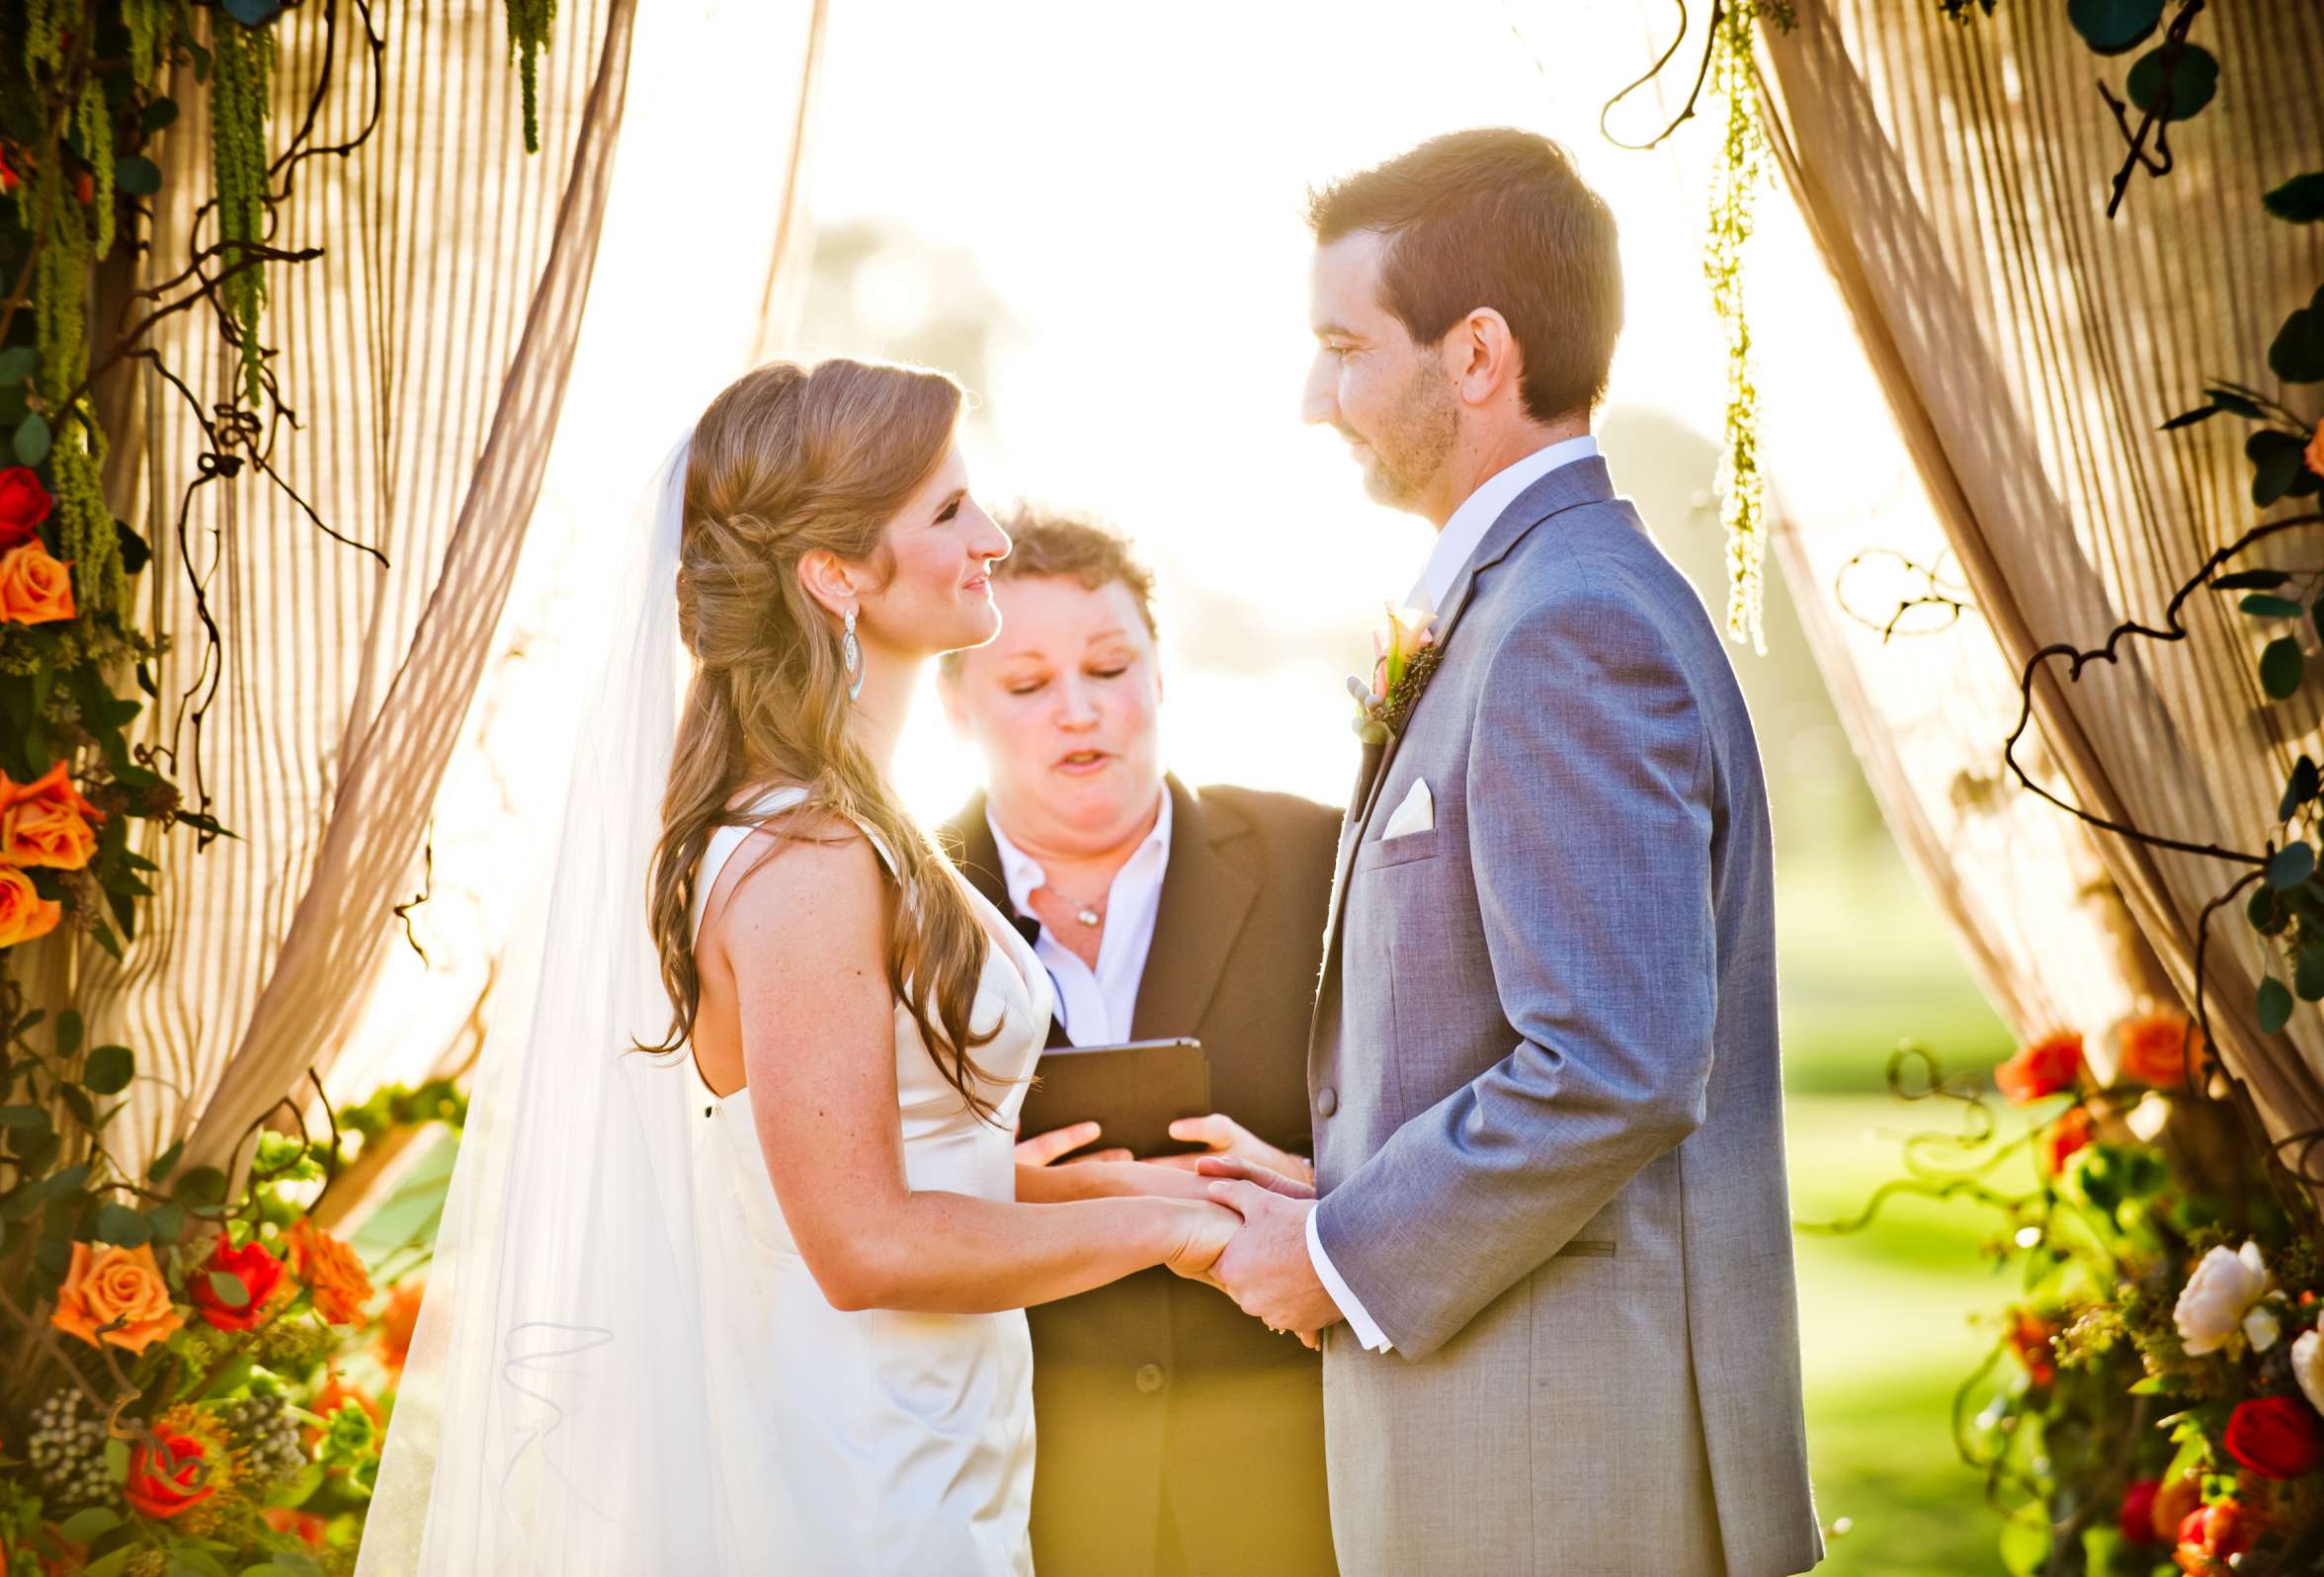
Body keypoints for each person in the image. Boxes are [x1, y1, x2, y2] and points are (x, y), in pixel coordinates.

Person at [361, 359, 1237, 1576]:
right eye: (945, 513)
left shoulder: (845, 820)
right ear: (835, 575)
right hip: (863, 1483)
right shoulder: (807, 851)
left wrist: (1195, 1197)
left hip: (935, 1441)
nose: (988, 537)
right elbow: (862, 1241)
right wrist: (1175, 1232)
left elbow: (869, 1173)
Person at [1191, 129, 1825, 1575]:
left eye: (1344, 346)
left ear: (1477, 355)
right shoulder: (1528, 597)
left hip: (1566, 1477)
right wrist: (1340, 1186)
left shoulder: (1566, 627)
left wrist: (1343, 1260)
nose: (1313, 396)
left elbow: (1613, 1061)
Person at [934, 512, 1341, 1576]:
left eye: (1110, 667)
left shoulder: (1322, 862)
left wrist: (1315, 1186)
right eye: (1025, 684)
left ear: (1160, 676)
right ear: (953, 703)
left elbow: (1445, 1123)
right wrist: (982, 1192)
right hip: (1016, 1500)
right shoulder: (895, 908)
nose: (1080, 711)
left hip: (1295, 1500)